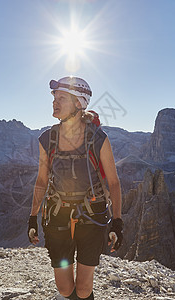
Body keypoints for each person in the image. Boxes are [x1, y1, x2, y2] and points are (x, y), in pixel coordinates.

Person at [28, 76, 123, 300]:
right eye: (54, 97)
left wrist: (117, 222)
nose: (54, 102)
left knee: (83, 288)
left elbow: (114, 182)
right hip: (58, 214)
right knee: (64, 288)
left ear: (79, 103)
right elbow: (41, 181)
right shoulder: (47, 139)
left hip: (92, 215)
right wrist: (32, 217)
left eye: (61, 97)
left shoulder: (98, 139)